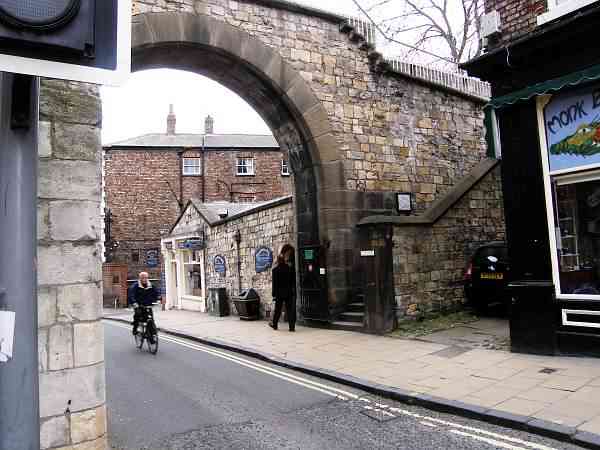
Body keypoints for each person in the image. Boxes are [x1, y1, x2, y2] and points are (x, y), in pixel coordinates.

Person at [270, 245, 296, 332]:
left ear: (278, 260)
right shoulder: (289, 269)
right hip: (288, 292)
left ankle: (274, 325)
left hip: (279, 293)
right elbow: (292, 280)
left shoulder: (275, 270)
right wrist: (292, 290)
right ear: (284, 260)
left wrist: (273, 293)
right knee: (289, 310)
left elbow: (274, 284)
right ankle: (291, 327)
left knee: (278, 310)